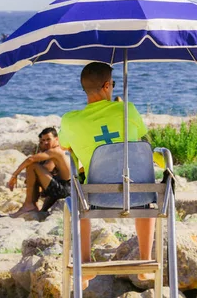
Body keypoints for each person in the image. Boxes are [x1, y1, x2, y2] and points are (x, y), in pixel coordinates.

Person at [59, 62, 155, 290]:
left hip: (95, 198)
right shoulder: (127, 110)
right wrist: (121, 108)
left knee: (78, 193)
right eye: (112, 84)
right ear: (106, 86)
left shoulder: (70, 120)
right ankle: (144, 259)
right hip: (135, 194)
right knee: (144, 184)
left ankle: (84, 260)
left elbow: (64, 145)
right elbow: (142, 136)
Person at [8, 126, 71, 217]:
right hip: (68, 188)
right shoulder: (63, 148)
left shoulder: (55, 151)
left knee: (32, 166)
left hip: (64, 190)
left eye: (48, 139)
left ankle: (29, 204)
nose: (45, 142)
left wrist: (14, 175)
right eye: (43, 140)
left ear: (56, 138)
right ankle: (33, 205)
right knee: (35, 172)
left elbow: (30, 159)